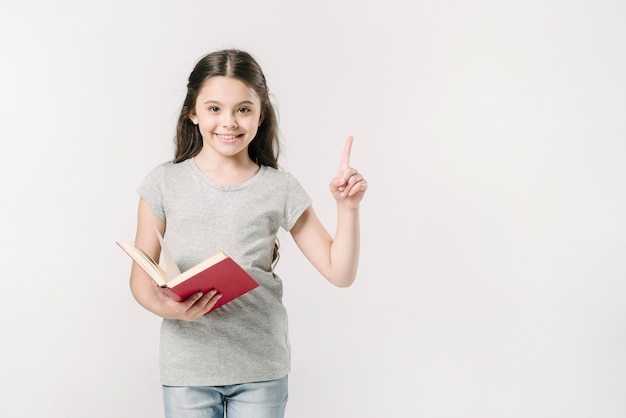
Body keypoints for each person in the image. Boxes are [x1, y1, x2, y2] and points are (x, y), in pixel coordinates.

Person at [128, 49, 367, 418]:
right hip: (188, 369)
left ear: (261, 114)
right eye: (214, 109)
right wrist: (172, 309)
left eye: (243, 109)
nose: (229, 122)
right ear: (192, 112)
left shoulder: (280, 187)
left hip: (261, 370)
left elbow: (340, 272)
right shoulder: (163, 183)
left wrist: (347, 209)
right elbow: (142, 281)